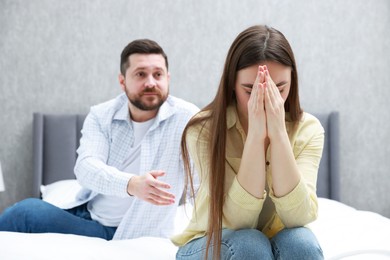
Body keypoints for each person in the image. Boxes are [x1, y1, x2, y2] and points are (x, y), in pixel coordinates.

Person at [0, 39, 199, 240]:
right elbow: (86, 168)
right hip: (87, 215)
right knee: (24, 213)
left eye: (158, 74)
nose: (150, 82)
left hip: (125, 231)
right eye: (140, 74)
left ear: (168, 78)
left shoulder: (188, 118)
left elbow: (203, 183)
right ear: (122, 81)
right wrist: (132, 184)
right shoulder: (102, 115)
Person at [171, 25, 325, 259]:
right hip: (212, 241)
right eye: (250, 90)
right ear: (232, 83)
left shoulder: (308, 129)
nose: (264, 97)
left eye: (279, 89)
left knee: (301, 243)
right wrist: (255, 135)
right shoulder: (203, 129)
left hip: (273, 240)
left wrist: (279, 134)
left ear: (292, 81)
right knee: (249, 244)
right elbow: (237, 222)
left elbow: (299, 217)